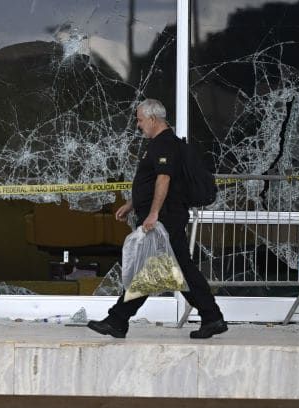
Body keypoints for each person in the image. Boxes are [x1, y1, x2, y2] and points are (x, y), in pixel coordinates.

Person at [88, 99, 228, 339]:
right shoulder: (161, 144)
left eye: (140, 120)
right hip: (165, 216)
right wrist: (132, 204)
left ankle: (118, 320)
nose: (138, 125)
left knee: (158, 269)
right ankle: (212, 317)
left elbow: (164, 180)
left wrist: (153, 214)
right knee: (176, 269)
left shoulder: (163, 144)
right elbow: (152, 182)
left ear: (153, 119)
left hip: (165, 218)